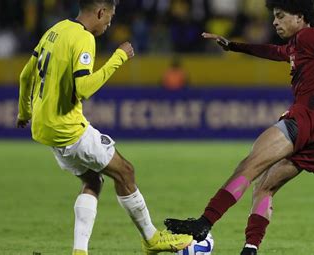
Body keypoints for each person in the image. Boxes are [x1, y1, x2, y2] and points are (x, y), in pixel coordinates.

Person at [164, 0, 314, 254]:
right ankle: (250, 248)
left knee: (248, 167)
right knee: (264, 187)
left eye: (281, 16)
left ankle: (204, 223)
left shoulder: (310, 36)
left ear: (300, 17)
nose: (275, 22)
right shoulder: (296, 46)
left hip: (309, 119)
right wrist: (233, 45)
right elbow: (273, 51)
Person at [16, 1, 192, 254]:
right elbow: (84, 88)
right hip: (69, 128)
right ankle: (152, 239)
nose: (110, 23)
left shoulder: (55, 30)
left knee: (92, 180)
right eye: (110, 17)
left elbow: (25, 74)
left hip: (46, 128)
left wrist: (24, 112)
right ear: (100, 12)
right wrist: (118, 58)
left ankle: (80, 251)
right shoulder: (84, 38)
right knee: (126, 172)